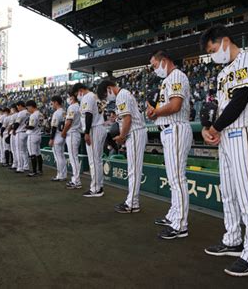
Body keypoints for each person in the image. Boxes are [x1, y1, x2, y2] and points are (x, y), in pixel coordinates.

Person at [200, 24, 248, 277]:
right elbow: (218, 106)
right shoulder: (222, 73)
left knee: (247, 195)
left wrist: (215, 127)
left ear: (225, 41)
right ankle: (233, 239)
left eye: (213, 49)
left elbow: (240, 99)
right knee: (227, 192)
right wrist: (208, 128)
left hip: (245, 132)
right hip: (226, 136)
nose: (213, 54)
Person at [146, 50, 192, 240]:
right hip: (169, 129)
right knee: (174, 179)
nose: (154, 69)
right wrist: (154, 112)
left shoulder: (176, 76)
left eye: (155, 65)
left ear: (164, 61)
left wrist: (155, 112)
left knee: (177, 178)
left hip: (176, 128)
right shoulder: (169, 79)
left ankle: (180, 225)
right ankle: (174, 216)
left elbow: (175, 106)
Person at [98, 78, 147, 213]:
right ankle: (132, 201)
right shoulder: (122, 95)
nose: (106, 97)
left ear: (109, 88)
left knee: (134, 170)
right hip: (134, 133)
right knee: (133, 169)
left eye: (105, 94)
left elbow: (127, 119)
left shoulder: (122, 95)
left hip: (135, 132)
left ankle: (132, 203)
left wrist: (122, 137)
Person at [72, 83, 107, 197]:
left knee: (94, 160)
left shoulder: (87, 97)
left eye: (77, 93)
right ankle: (99, 186)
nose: (77, 96)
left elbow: (88, 115)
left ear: (81, 90)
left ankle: (96, 189)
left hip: (94, 129)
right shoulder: (95, 96)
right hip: (100, 126)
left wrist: (86, 132)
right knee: (98, 159)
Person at [61, 92, 82, 189]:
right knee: (74, 158)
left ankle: (76, 181)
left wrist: (64, 132)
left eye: (69, 96)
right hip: (76, 132)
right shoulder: (78, 106)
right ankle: (76, 179)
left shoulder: (72, 107)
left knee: (73, 158)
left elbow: (69, 122)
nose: (68, 98)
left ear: (73, 97)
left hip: (72, 133)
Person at [49, 96, 67, 181]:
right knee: (62, 156)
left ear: (56, 102)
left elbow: (54, 127)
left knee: (58, 157)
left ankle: (60, 175)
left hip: (57, 136)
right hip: (63, 135)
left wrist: (51, 139)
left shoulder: (56, 113)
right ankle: (63, 174)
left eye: (52, 103)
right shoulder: (64, 111)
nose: (52, 105)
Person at [26, 100, 44, 177]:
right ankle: (40, 170)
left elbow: (31, 127)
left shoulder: (33, 115)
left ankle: (34, 171)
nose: (28, 109)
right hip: (39, 134)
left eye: (28, 108)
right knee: (38, 153)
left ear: (31, 106)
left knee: (32, 153)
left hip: (32, 135)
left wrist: (25, 126)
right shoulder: (40, 114)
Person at [13, 101, 30, 173]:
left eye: (17, 107)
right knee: (25, 150)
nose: (17, 108)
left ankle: (20, 167)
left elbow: (17, 123)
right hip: (27, 132)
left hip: (20, 132)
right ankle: (26, 166)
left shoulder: (21, 113)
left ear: (20, 105)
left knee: (19, 150)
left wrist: (14, 129)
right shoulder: (29, 112)